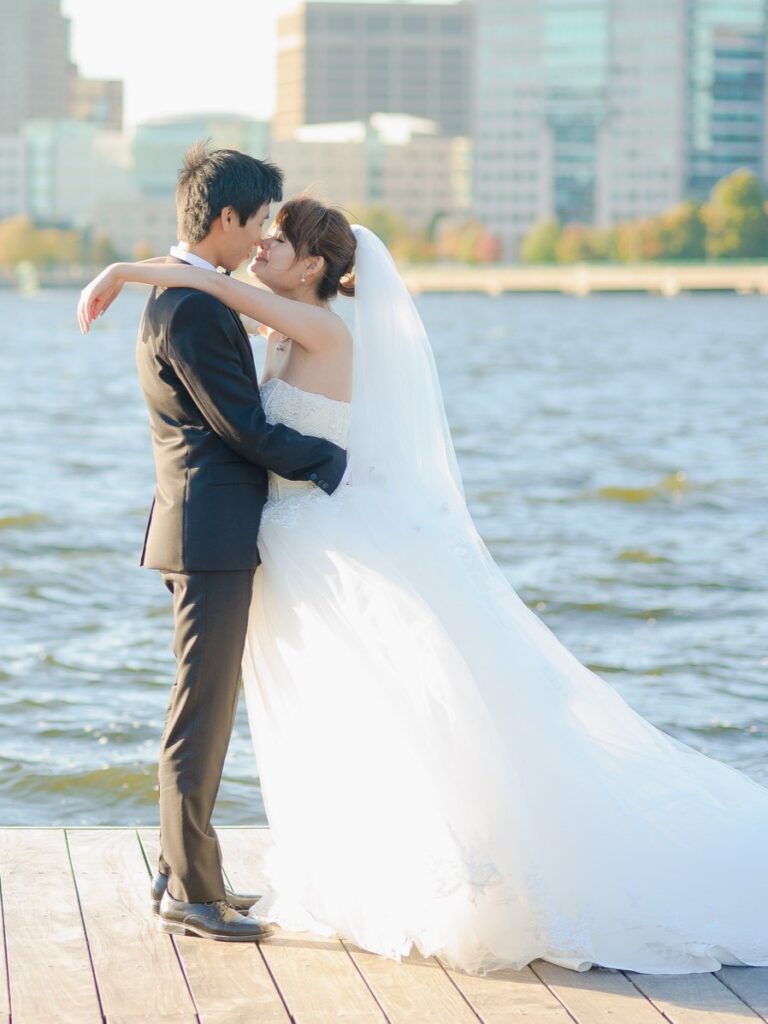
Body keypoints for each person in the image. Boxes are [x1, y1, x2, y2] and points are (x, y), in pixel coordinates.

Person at [79, 197, 768, 977]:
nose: (262, 251)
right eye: (261, 237)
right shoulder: (287, 327)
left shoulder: (325, 326)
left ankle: (439, 870)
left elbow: (226, 295)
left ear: (312, 266)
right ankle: (255, 867)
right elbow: (239, 332)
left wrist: (126, 270)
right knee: (333, 711)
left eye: (278, 242)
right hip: (292, 539)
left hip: (317, 541)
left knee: (386, 703)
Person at [87, 144, 348, 943]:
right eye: (261, 219)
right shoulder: (194, 308)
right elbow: (245, 428)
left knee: (202, 706)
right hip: (211, 531)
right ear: (227, 218)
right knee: (201, 715)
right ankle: (191, 893)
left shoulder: (185, 294)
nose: (264, 232)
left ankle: (182, 872)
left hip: (203, 526)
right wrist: (333, 461)